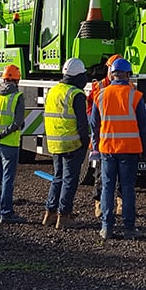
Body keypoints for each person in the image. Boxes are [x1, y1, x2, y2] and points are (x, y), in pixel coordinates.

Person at [90, 58, 146, 240]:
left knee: (108, 187)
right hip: (130, 150)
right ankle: (129, 228)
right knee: (128, 188)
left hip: (108, 148)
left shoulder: (100, 95)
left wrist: (96, 146)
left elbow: (94, 124)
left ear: (112, 74)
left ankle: (106, 227)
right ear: (128, 75)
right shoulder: (135, 95)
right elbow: (143, 126)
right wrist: (145, 150)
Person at [42, 57, 90, 230]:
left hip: (55, 143)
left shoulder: (54, 91)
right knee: (70, 180)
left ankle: (50, 213)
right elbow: (82, 123)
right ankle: (64, 215)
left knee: (58, 178)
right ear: (77, 76)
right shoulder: (76, 94)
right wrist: (85, 142)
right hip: (71, 144)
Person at [0, 64, 27, 224]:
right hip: (9, 143)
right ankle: (6, 213)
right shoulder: (16, 97)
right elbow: (18, 121)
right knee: (8, 179)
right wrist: (2, 135)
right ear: (17, 79)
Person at [81, 53, 124, 218]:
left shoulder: (128, 88)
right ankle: (99, 204)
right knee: (100, 175)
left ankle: (120, 203)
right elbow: (90, 112)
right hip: (104, 139)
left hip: (119, 140)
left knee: (121, 177)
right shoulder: (99, 87)